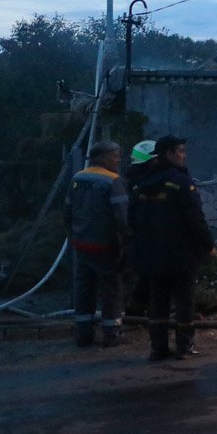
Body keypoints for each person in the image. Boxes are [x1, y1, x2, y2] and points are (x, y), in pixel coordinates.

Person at [129, 135, 216, 361]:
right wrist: (208, 244)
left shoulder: (141, 185)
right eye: (180, 151)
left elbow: (132, 221)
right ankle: (184, 347)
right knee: (184, 301)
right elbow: (195, 218)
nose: (184, 155)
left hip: (152, 254)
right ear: (168, 154)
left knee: (157, 302)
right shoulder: (181, 182)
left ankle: (158, 349)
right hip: (180, 254)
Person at [65, 140, 128, 348]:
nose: (119, 159)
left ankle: (83, 334)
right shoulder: (112, 181)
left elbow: (67, 211)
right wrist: (127, 242)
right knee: (111, 289)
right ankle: (112, 333)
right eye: (115, 155)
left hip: (81, 244)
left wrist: (73, 235)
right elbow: (122, 217)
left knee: (84, 288)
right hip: (106, 245)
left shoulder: (78, 177)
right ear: (102, 157)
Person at [122, 139, 158, 316]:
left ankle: (136, 310)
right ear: (152, 160)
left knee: (145, 274)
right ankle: (137, 311)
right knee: (149, 275)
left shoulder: (133, 181)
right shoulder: (147, 183)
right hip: (148, 237)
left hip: (138, 237)